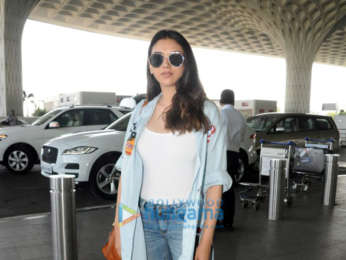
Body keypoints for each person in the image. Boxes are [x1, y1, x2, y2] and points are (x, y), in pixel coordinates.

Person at [112, 30, 232, 260]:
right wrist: (118, 224)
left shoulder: (206, 113)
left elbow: (214, 182)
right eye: (158, 58)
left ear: (186, 63)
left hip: (186, 218)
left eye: (175, 58)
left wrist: (205, 244)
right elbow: (126, 173)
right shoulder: (140, 113)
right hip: (144, 217)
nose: (165, 65)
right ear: (150, 66)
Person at [219, 89, 246, 228]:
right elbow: (242, 137)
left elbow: (218, 137)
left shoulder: (221, 114)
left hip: (222, 154)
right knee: (230, 188)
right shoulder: (240, 116)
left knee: (218, 187)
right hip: (235, 154)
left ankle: (218, 220)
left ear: (221, 100)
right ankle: (228, 221)